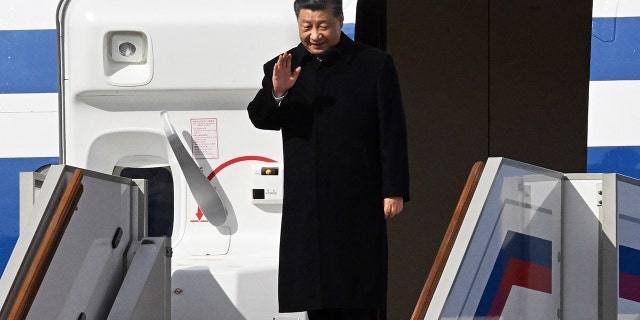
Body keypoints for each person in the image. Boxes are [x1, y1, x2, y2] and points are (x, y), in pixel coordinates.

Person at [247, 0, 410, 318]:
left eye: (322, 26)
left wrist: (394, 189)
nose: (314, 35)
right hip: (308, 200)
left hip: (358, 196)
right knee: (315, 293)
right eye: (306, 26)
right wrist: (278, 92)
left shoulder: (373, 64)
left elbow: (392, 129)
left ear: (340, 20)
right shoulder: (284, 65)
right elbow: (261, 118)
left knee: (358, 291)